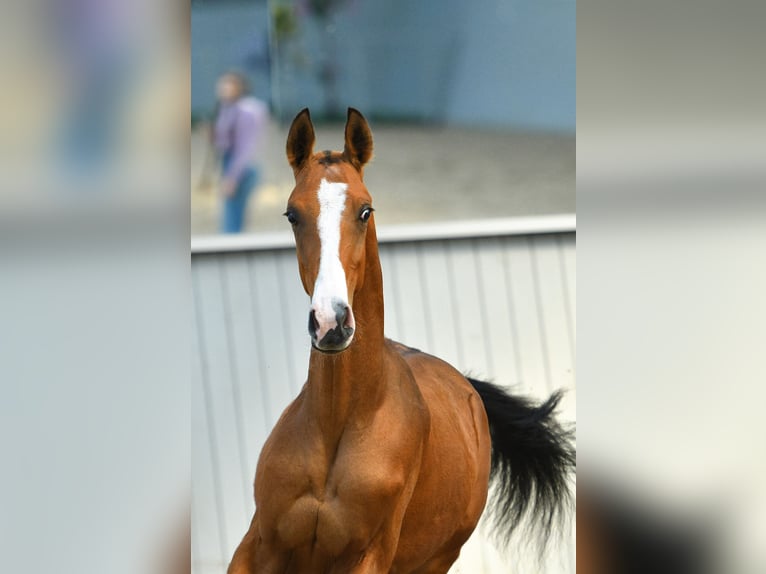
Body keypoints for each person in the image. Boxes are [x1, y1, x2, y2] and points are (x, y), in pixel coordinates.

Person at [212, 72, 268, 233]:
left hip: (240, 165)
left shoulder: (246, 111)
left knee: (232, 218)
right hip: (235, 162)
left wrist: (232, 177)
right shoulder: (229, 107)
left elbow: (245, 147)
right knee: (233, 215)